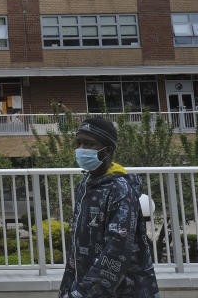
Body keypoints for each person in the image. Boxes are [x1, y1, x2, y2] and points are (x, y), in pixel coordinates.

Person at [59, 117, 160, 298]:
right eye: (79, 143)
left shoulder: (120, 190)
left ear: (108, 150)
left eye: (89, 144)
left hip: (120, 290)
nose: (81, 149)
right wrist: (68, 287)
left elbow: (117, 249)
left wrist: (85, 292)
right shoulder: (85, 185)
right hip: (85, 285)